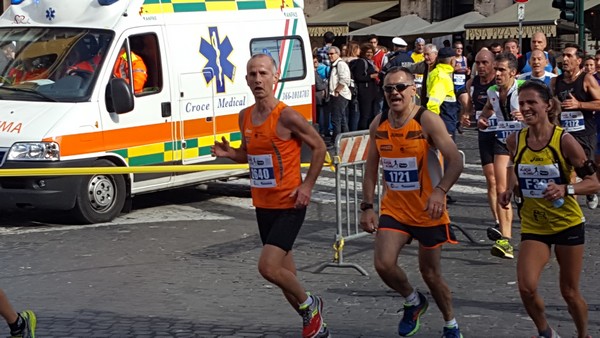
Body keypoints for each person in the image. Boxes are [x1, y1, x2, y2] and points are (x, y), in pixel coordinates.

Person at [211, 53, 329, 338]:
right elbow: (250, 153)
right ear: (246, 80)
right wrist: (231, 154)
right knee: (287, 279)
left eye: (263, 73)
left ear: (275, 78)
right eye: (252, 74)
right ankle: (318, 326)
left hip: (290, 203)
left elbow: (320, 147)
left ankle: (311, 305)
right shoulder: (245, 116)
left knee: (267, 267)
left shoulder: (286, 115)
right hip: (263, 205)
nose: (258, 79)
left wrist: (308, 186)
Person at [360, 67, 464, 338]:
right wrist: (367, 206)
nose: (394, 93)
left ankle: (450, 323)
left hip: (427, 210)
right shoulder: (378, 124)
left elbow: (456, 159)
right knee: (383, 264)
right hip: (395, 209)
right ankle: (412, 300)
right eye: (388, 88)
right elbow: (371, 169)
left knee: (430, 274)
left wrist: (440, 190)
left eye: (400, 87)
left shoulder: (426, 120)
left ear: (413, 89)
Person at [499, 80, 599, 338]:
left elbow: (594, 182)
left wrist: (566, 189)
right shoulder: (515, 139)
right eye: (522, 103)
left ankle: (583, 335)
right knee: (526, 287)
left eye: (532, 102)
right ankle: (546, 332)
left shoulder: (563, 140)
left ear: (547, 105)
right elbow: (514, 166)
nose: (526, 108)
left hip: (567, 224)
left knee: (569, 291)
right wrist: (510, 189)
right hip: (535, 225)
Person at [478, 52, 524, 259]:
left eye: (501, 70)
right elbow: (488, 108)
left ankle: (522, 198)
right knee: (501, 188)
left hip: (525, 143)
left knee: (518, 186)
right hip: (503, 141)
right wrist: (483, 119)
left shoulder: (524, 90)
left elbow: (548, 111)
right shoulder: (492, 91)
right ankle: (505, 240)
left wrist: (527, 114)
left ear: (513, 73)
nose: (496, 73)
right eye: (496, 69)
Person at [551, 43, 600, 210]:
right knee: (568, 173)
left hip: (584, 133)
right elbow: (552, 105)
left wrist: (579, 104)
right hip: (564, 135)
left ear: (579, 60)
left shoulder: (586, 79)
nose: (565, 59)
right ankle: (572, 210)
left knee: (585, 171)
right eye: (563, 55)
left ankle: (590, 190)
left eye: (569, 56)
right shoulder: (555, 82)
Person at [460, 49, 500, 228]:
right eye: (478, 62)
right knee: (491, 179)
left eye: (485, 62)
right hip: (484, 134)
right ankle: (498, 220)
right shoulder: (472, 83)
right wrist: (466, 115)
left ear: (493, 64)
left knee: (508, 181)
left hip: (503, 134)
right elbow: (469, 107)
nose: (481, 66)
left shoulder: (500, 82)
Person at [427, 47, 459, 141]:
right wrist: (436, 127)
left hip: (446, 120)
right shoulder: (442, 76)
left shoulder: (438, 72)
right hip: (444, 122)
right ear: (452, 60)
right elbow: (433, 103)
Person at [350, 43, 380, 130]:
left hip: (371, 92)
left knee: (370, 114)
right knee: (365, 115)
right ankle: (363, 132)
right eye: (367, 52)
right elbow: (358, 77)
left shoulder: (371, 63)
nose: (369, 54)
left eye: (371, 52)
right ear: (363, 53)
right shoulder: (361, 62)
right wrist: (371, 76)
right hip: (365, 93)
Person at [327, 46, 352, 144]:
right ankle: (344, 140)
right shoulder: (334, 65)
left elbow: (345, 79)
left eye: (332, 54)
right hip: (337, 94)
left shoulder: (340, 64)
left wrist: (337, 91)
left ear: (338, 54)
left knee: (336, 119)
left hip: (340, 95)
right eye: (329, 54)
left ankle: (336, 141)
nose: (330, 56)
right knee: (341, 119)